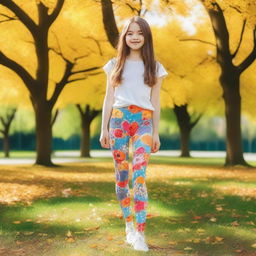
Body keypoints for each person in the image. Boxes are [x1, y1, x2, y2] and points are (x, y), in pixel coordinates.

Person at [99, 16, 168, 252]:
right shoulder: (113, 65)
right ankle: (128, 224)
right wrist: (104, 128)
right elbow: (108, 98)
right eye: (130, 33)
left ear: (146, 36)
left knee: (139, 176)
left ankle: (140, 233)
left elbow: (156, 102)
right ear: (124, 37)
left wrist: (156, 132)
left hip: (144, 123)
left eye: (139, 33)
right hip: (118, 121)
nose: (135, 37)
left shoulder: (156, 68)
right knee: (122, 176)